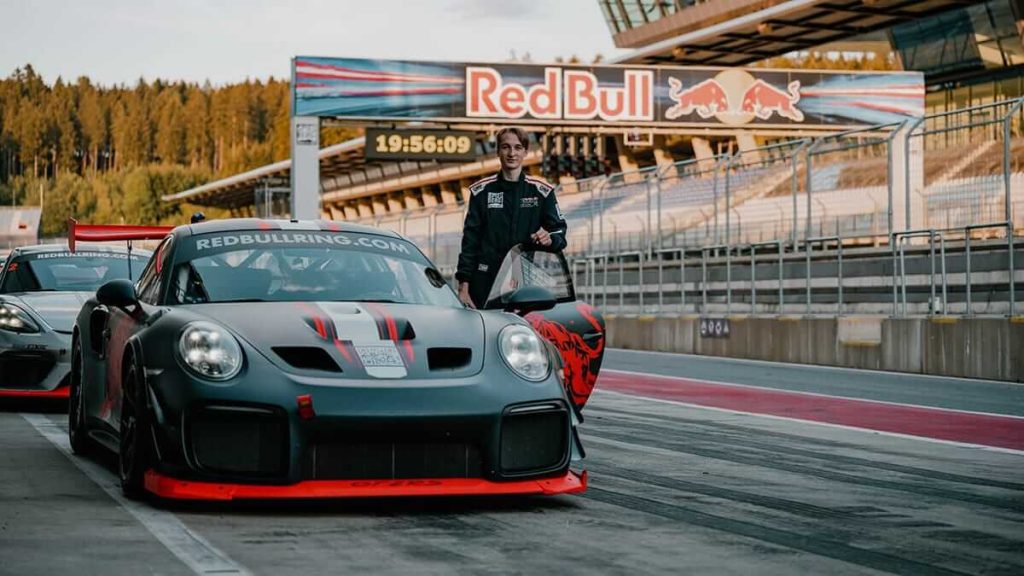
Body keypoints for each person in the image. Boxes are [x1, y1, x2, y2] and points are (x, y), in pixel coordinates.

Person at [456, 127, 567, 309]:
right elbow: (470, 241)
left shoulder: (541, 191)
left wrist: (550, 239)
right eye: (506, 147)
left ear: (525, 151)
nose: (512, 153)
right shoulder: (481, 191)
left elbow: (559, 232)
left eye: (517, 147)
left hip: (524, 282)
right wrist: (463, 284)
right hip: (484, 281)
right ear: (498, 151)